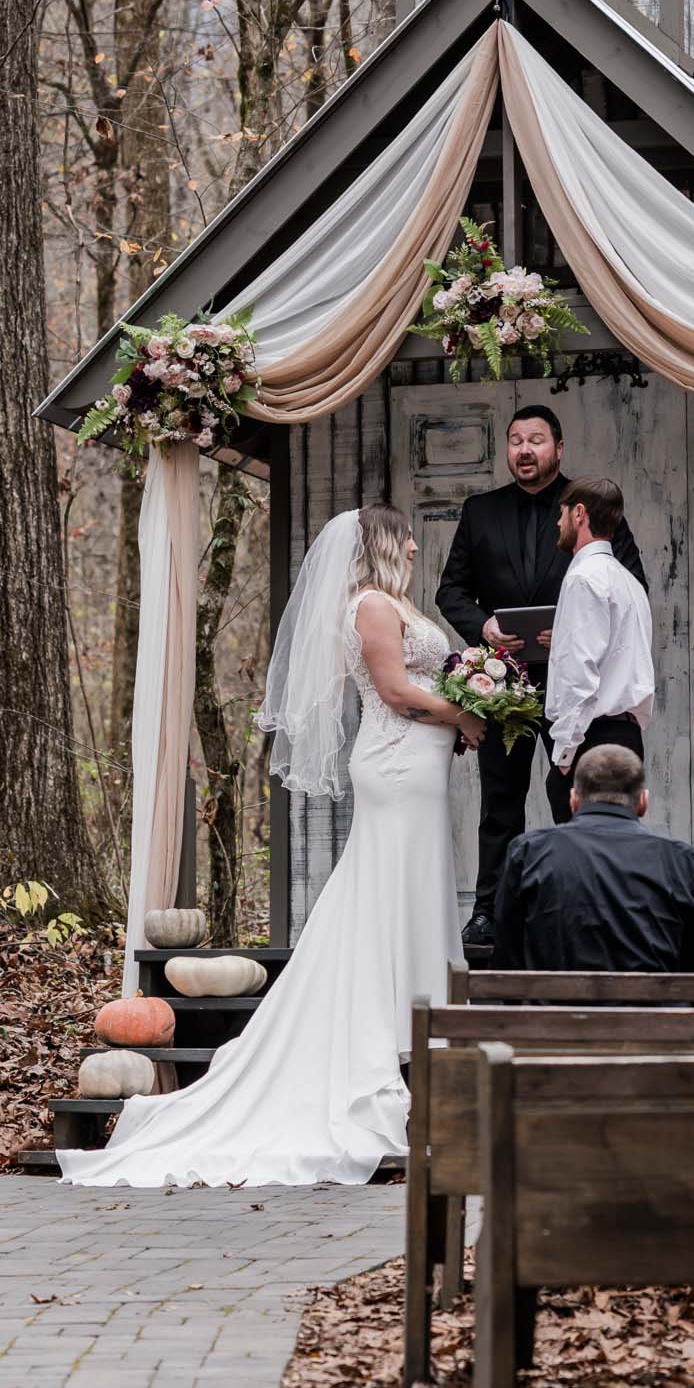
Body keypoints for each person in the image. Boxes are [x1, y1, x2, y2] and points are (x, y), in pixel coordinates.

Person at [58, 504, 482, 1189]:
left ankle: (417, 1017)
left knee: (408, 891)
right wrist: (461, 712)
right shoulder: (372, 606)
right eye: (403, 538)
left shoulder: (392, 602)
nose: (411, 549)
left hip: (419, 771)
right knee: (387, 891)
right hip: (397, 766)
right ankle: (390, 1024)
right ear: (381, 543)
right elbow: (396, 689)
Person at [436, 405, 647, 955]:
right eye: (514, 440)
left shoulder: (590, 512)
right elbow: (449, 591)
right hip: (500, 681)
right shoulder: (480, 512)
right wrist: (481, 625)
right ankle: (488, 913)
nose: (524, 450)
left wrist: (575, 628)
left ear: (559, 447)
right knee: (498, 804)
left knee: (572, 797)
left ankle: (577, 905)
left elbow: (631, 584)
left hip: (576, 687)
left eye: (535, 440)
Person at [492, 744, 694, 973]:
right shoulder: (688, 863)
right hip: (653, 1008)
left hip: (552, 1006)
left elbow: (507, 959)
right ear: (643, 801)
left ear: (573, 800)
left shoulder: (527, 853)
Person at [543, 474, 656, 823]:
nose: (558, 522)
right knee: (620, 851)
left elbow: (579, 674)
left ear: (579, 514)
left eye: (562, 513)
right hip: (627, 738)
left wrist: (564, 756)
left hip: (592, 742)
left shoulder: (583, 578)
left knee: (583, 859)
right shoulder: (628, 581)